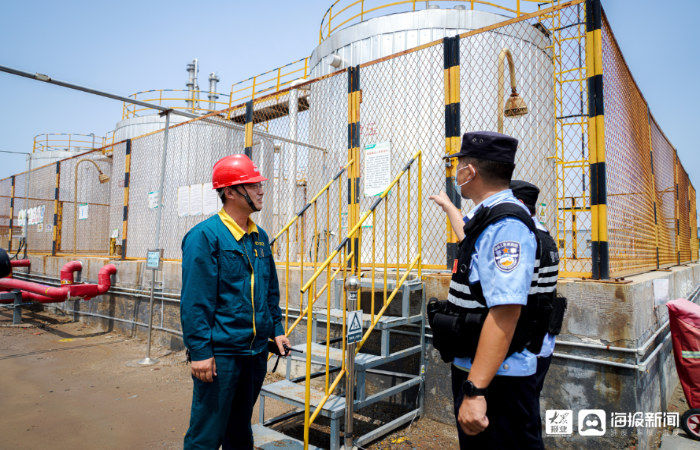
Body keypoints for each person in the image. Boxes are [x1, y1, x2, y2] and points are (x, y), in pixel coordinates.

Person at [429, 131, 543, 449]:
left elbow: (506, 310)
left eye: (458, 167)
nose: (455, 174)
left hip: (497, 378)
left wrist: (476, 391)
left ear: (470, 172)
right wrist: (448, 206)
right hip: (484, 369)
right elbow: (466, 232)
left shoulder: (506, 225)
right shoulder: (488, 216)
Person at [180, 154, 290, 450]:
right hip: (222, 356)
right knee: (206, 433)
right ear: (229, 192)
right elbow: (195, 301)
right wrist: (201, 351)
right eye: (252, 185)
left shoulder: (259, 237)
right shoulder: (205, 236)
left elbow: (269, 289)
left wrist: (277, 329)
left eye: (259, 184)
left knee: (240, 430)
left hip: (254, 354)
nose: (261, 190)